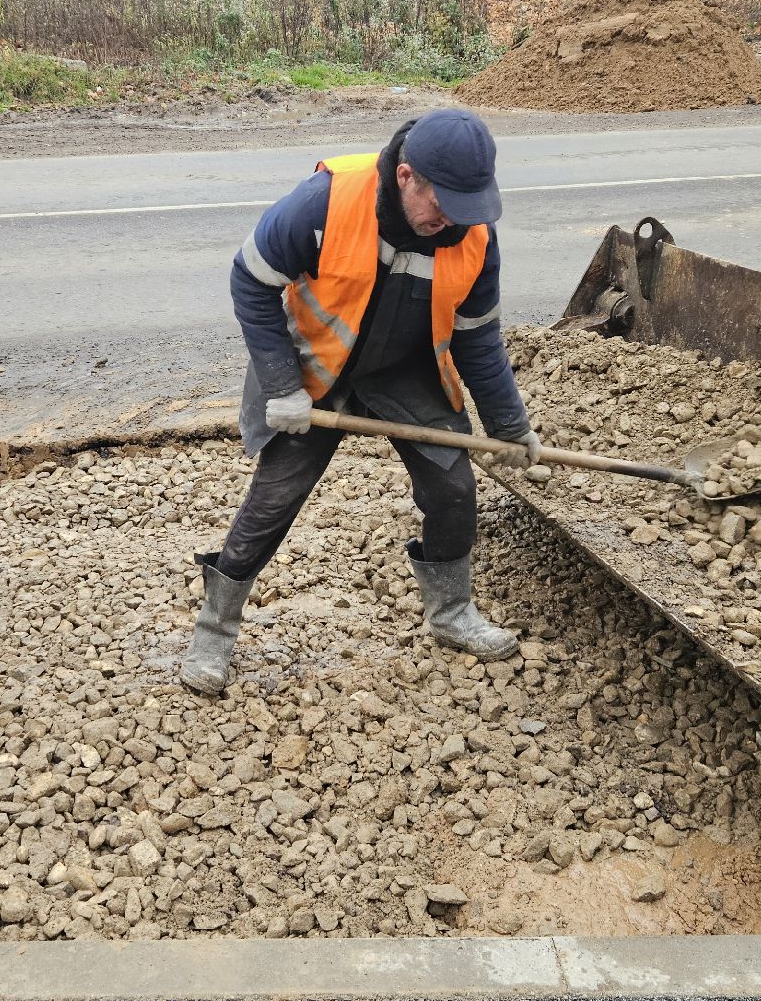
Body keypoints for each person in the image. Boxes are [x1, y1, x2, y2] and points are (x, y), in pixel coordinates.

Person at [174, 108, 542, 696]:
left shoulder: (473, 235)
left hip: (408, 369)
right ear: (405, 176)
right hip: (316, 369)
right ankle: (214, 632)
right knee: (274, 500)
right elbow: (251, 279)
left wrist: (509, 424)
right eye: (441, 202)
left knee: (454, 489)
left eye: (466, 206)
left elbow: (477, 338)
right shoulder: (325, 201)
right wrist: (280, 386)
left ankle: (451, 615)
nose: (451, 220)